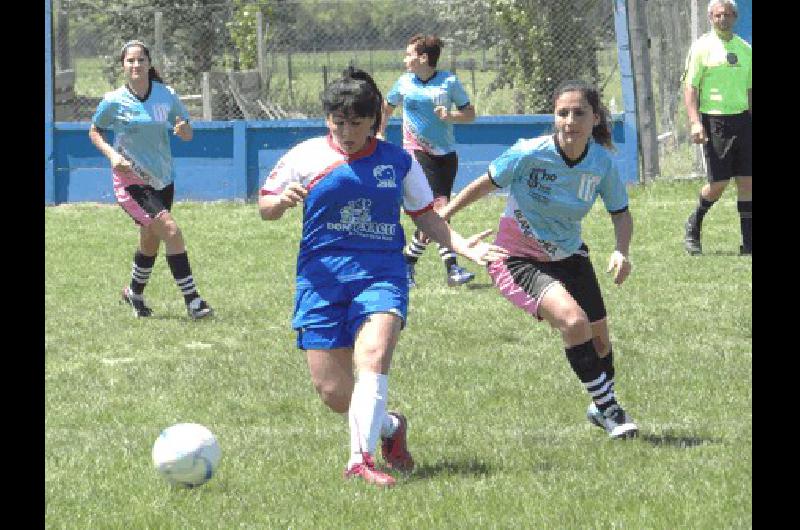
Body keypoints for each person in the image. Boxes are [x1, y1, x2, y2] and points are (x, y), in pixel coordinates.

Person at [258, 67, 508, 486]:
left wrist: (463, 246)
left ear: (374, 122)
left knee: (373, 357)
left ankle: (361, 459)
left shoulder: (398, 162)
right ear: (327, 121)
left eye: (356, 123)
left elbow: (426, 217)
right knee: (335, 395)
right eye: (338, 122)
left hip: (381, 275)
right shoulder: (305, 156)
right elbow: (265, 206)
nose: (347, 131)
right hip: (321, 281)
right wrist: (282, 202)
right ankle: (390, 426)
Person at [439, 80, 639, 439]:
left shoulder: (601, 164)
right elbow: (484, 183)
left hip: (571, 255)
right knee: (573, 321)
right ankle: (611, 411)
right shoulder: (529, 152)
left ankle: (600, 404)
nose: (569, 120)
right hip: (517, 258)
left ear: (595, 118)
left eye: (579, 113)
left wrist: (621, 250)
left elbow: (621, 213)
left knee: (600, 345)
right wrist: (444, 217)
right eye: (562, 113)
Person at [89, 40, 213, 319]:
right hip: (132, 180)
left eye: (140, 60)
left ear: (149, 63)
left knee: (151, 238)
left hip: (163, 178)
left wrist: (183, 130)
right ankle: (193, 301)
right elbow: (95, 131)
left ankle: (133, 292)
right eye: (130, 61)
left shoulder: (165, 94)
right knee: (170, 230)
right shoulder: (113, 100)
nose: (136, 65)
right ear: (123, 65)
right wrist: (112, 156)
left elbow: (187, 131)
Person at [377, 34, 478, 288]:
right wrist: (380, 133)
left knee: (439, 212)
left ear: (423, 58)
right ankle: (452, 268)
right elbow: (385, 109)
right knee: (439, 208)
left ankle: (408, 263)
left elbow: (470, 115)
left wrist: (450, 116)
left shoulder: (449, 81)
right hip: (415, 152)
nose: (405, 59)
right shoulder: (403, 83)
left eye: (409, 54)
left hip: (446, 156)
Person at [683, 0, 752, 256]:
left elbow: (750, 90)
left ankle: (749, 243)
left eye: (727, 15)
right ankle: (693, 224)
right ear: (710, 17)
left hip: (743, 120)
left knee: (748, 182)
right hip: (715, 121)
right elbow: (691, 88)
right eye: (717, 15)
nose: (722, 19)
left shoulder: (745, 50)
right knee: (718, 183)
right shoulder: (702, 48)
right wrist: (695, 122)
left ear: (735, 17)